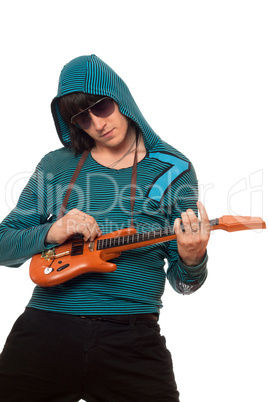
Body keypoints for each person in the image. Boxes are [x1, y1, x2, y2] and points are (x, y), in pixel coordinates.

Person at [0, 54, 210, 401]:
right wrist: (52, 232)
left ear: (120, 97)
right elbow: (4, 246)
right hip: (44, 330)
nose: (96, 124)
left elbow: (185, 285)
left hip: (133, 336)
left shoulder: (173, 169)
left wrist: (192, 259)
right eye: (81, 118)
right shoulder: (55, 165)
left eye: (101, 107)